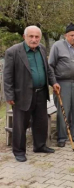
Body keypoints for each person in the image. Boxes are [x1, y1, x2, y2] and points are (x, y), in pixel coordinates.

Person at [4, 26, 60, 162]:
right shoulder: (13, 52)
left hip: (41, 92)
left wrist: (54, 83)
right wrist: (9, 95)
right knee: (20, 125)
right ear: (24, 37)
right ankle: (19, 151)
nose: (34, 39)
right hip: (21, 94)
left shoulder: (41, 48)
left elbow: (48, 70)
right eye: (31, 36)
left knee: (40, 121)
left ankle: (40, 146)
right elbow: (7, 76)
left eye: (37, 37)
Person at [48, 23, 74, 147]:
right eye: (71, 35)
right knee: (63, 110)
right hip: (63, 83)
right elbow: (50, 66)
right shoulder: (57, 46)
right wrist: (54, 82)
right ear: (66, 35)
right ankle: (62, 137)